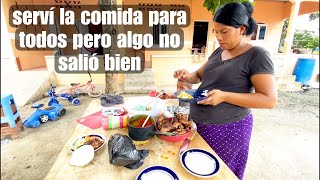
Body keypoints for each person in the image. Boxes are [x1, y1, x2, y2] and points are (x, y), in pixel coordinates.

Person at [173, 2, 277, 180]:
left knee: (219, 173)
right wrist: (185, 76)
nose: (219, 37)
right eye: (216, 31)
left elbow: (269, 100)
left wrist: (224, 96)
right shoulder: (219, 51)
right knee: (196, 170)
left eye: (224, 31)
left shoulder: (257, 55)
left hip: (228, 130)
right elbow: (198, 76)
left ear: (242, 29)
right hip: (200, 125)